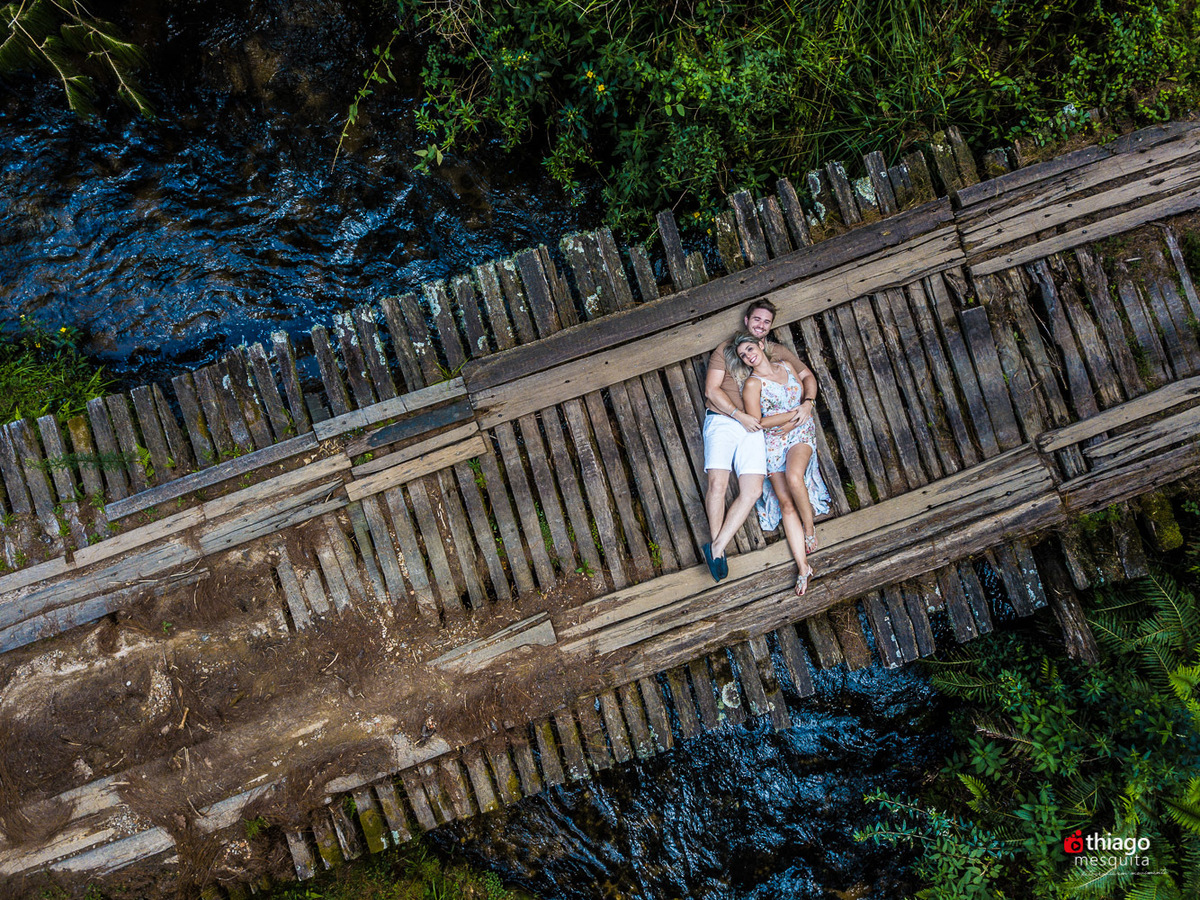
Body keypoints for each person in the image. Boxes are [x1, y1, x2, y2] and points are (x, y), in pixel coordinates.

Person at [702, 299, 816, 582]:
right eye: (757, 320)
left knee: (752, 491)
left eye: (766, 322)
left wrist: (808, 403)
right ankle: (718, 551)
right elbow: (712, 389)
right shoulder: (727, 350)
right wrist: (737, 414)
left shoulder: (777, 352)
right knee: (719, 482)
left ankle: (715, 547)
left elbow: (805, 375)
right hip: (724, 420)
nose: (761, 326)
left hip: (757, 428)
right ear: (746, 320)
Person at [730, 331, 822, 595]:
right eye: (743, 355)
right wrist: (791, 414)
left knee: (795, 477)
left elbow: (805, 393)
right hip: (772, 441)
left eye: (750, 349)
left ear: (760, 344)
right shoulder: (752, 384)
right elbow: (757, 422)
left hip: (799, 433)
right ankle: (804, 568)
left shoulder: (786, 366)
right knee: (784, 502)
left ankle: (809, 526)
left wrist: (805, 406)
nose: (748, 356)